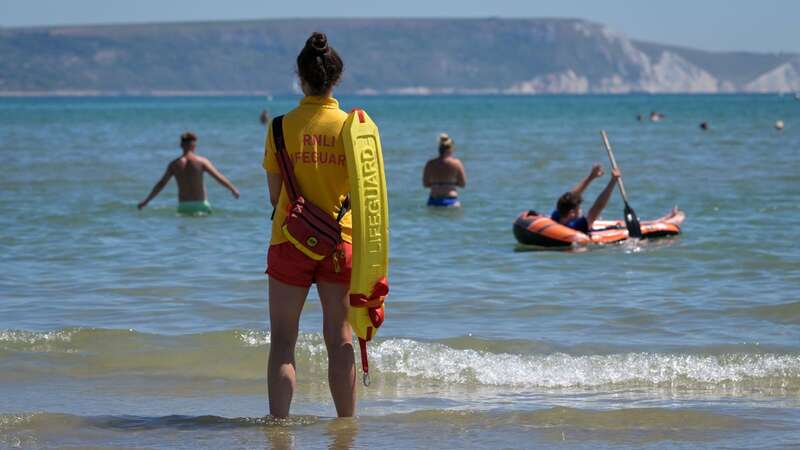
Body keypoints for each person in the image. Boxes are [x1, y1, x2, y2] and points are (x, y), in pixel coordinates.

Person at [263, 32, 356, 418]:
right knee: (340, 340)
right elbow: (371, 198)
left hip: (290, 241)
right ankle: (347, 429)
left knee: (284, 342)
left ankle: (279, 429)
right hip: (341, 242)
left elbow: (275, 196)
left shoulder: (280, 127)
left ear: (300, 78)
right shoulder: (356, 127)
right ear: (336, 79)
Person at [138, 132, 239, 214]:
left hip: (184, 206)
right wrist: (232, 189)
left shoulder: (174, 164)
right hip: (201, 205)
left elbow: (161, 184)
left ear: (181, 145)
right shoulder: (202, 161)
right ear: (194, 146)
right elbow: (218, 177)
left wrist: (146, 201)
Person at [552, 164, 620, 233]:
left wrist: (591, 176)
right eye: (579, 209)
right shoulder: (576, 225)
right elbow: (597, 207)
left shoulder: (556, 216)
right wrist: (613, 181)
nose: (581, 211)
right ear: (571, 213)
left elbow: (571, 197)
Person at [422, 133, 467, 207]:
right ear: (450, 149)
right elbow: (463, 184)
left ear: (439, 149)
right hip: (451, 200)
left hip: (433, 200)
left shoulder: (430, 163)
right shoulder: (456, 163)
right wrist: (450, 182)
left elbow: (425, 184)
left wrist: (437, 183)